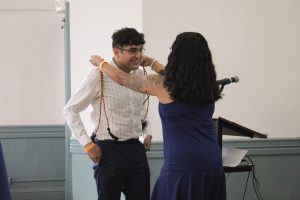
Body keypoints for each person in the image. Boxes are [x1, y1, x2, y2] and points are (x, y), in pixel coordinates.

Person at [90, 32, 226, 200]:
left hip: (182, 162)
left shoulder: (162, 85)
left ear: (175, 56)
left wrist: (100, 62)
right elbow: (179, 75)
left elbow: (122, 79)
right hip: (212, 159)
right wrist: (153, 63)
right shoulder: (208, 85)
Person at [64, 27, 152, 200]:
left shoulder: (141, 75)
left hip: (136, 150)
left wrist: (146, 131)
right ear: (116, 51)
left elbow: (141, 108)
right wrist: (87, 144)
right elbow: (70, 110)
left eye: (141, 50)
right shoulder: (98, 75)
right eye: (133, 50)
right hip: (108, 151)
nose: (138, 55)